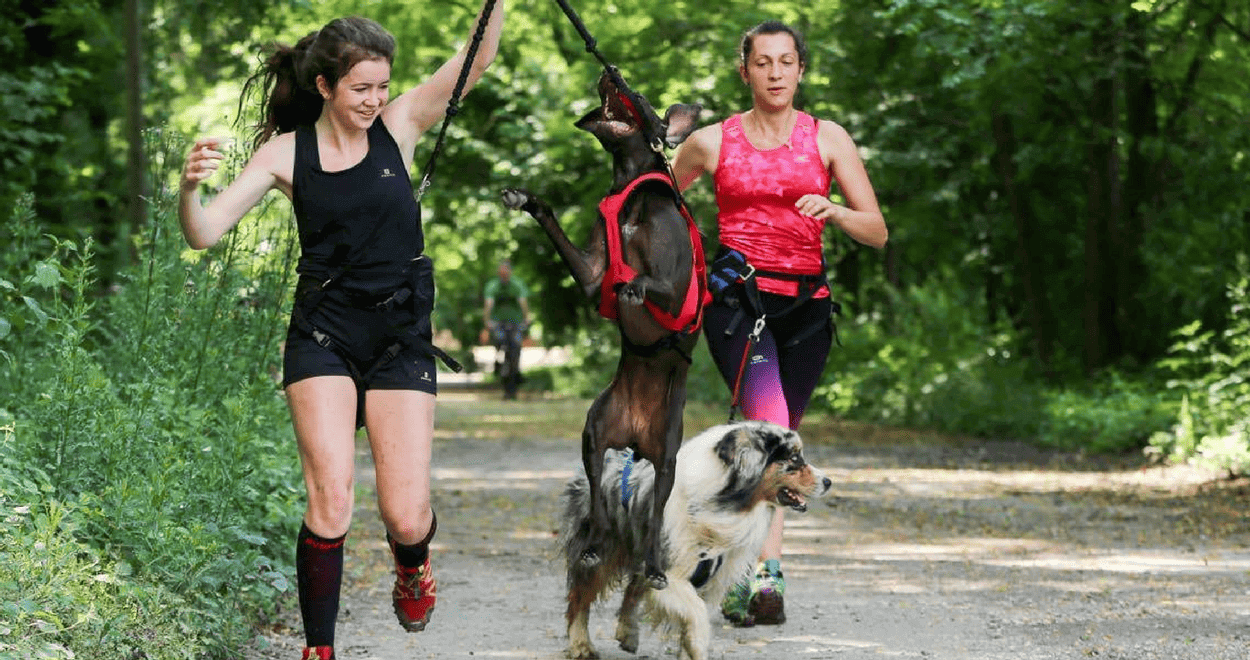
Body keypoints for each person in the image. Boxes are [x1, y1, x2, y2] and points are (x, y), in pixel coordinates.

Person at [177, 4, 505, 659]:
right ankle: (319, 649)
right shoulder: (284, 154)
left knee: (406, 516)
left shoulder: (401, 124)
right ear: (324, 87)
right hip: (323, 336)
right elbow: (205, 232)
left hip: (400, 337)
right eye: (361, 88)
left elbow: (476, 61)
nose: (375, 99)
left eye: (382, 85)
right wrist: (189, 190)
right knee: (330, 501)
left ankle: (411, 563)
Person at [672, 20, 887, 627]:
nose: (774, 73)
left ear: (800, 70)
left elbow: (877, 230)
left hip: (808, 308)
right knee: (769, 427)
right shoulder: (713, 141)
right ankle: (760, 579)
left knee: (781, 437)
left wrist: (836, 209)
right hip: (739, 303)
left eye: (785, 62)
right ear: (745, 71)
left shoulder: (828, 138)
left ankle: (721, 555)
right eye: (762, 62)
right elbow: (656, 198)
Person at [481, 259, 530, 399]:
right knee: (499, 342)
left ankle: (515, 378)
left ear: (510, 272)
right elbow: (488, 305)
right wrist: (487, 322)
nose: (503, 276)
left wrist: (526, 319)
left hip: (515, 322)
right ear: (498, 273)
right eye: (501, 273)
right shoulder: (493, 286)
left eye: (506, 273)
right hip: (498, 322)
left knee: (515, 348)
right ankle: (497, 361)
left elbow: (523, 303)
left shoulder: (517, 285)